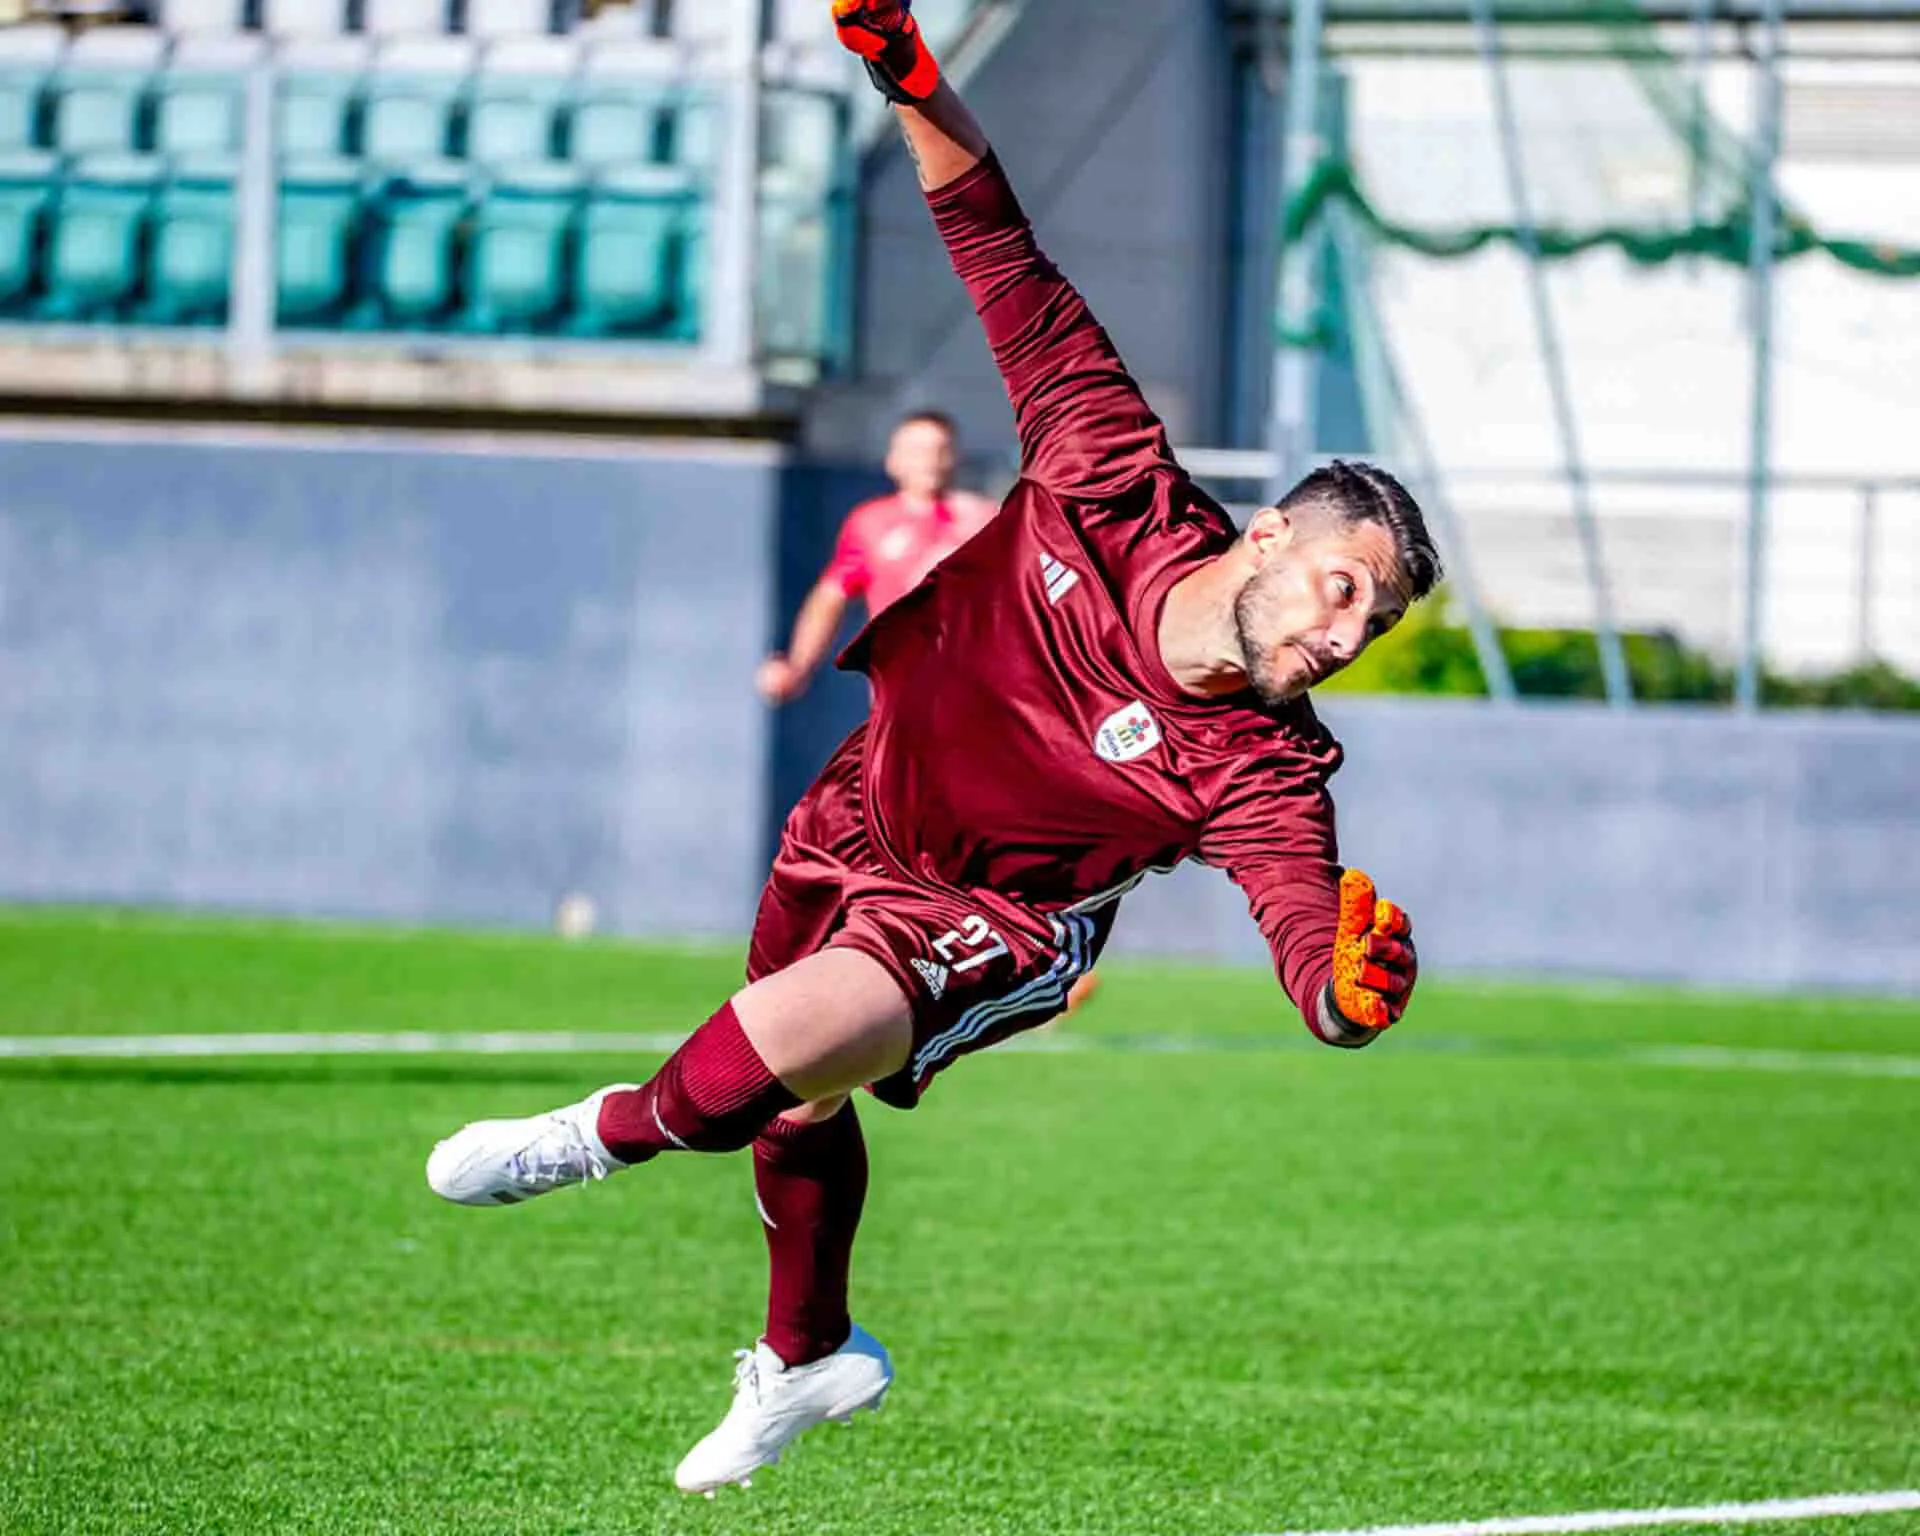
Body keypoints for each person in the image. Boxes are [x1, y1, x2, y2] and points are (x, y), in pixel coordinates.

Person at [427, 0, 1433, 1498]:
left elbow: (1305, 936)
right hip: (860, 812)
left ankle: (596, 1138)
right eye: (1349, 586)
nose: (1349, 632)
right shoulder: (1110, 473)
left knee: (758, 1058)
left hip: (1004, 921)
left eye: (1380, 623)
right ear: (1272, 530)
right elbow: (999, 246)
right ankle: (806, 1358)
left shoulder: (1270, 769)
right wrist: (903, 71)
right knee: (801, 1094)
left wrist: (1348, 998)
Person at [755, 409, 998, 707]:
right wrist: (798, 665)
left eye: (940, 450)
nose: (930, 461)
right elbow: (830, 596)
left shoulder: (986, 519)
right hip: (901, 696)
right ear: (894, 460)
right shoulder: (871, 523)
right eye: (918, 451)